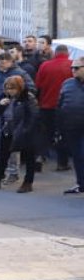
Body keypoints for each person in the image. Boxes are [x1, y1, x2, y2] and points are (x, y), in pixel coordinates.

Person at [0, 75, 40, 193]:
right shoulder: (4, 96)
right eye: (7, 88)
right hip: (8, 130)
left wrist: (25, 131)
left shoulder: (28, 98)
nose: (10, 91)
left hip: (23, 132)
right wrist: (0, 104)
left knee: (29, 158)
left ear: (19, 88)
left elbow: (33, 116)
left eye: (12, 88)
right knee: (2, 157)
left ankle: (28, 182)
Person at [35, 45, 75, 171]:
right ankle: (62, 163)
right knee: (62, 135)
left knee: (45, 134)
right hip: (65, 107)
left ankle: (40, 156)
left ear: (55, 53)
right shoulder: (73, 65)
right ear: (67, 53)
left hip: (46, 105)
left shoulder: (45, 65)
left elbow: (38, 85)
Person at [60, 56, 84, 194]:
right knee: (77, 156)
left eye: (76, 68)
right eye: (72, 68)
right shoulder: (68, 83)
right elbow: (61, 102)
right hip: (71, 126)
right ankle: (81, 183)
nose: (73, 70)